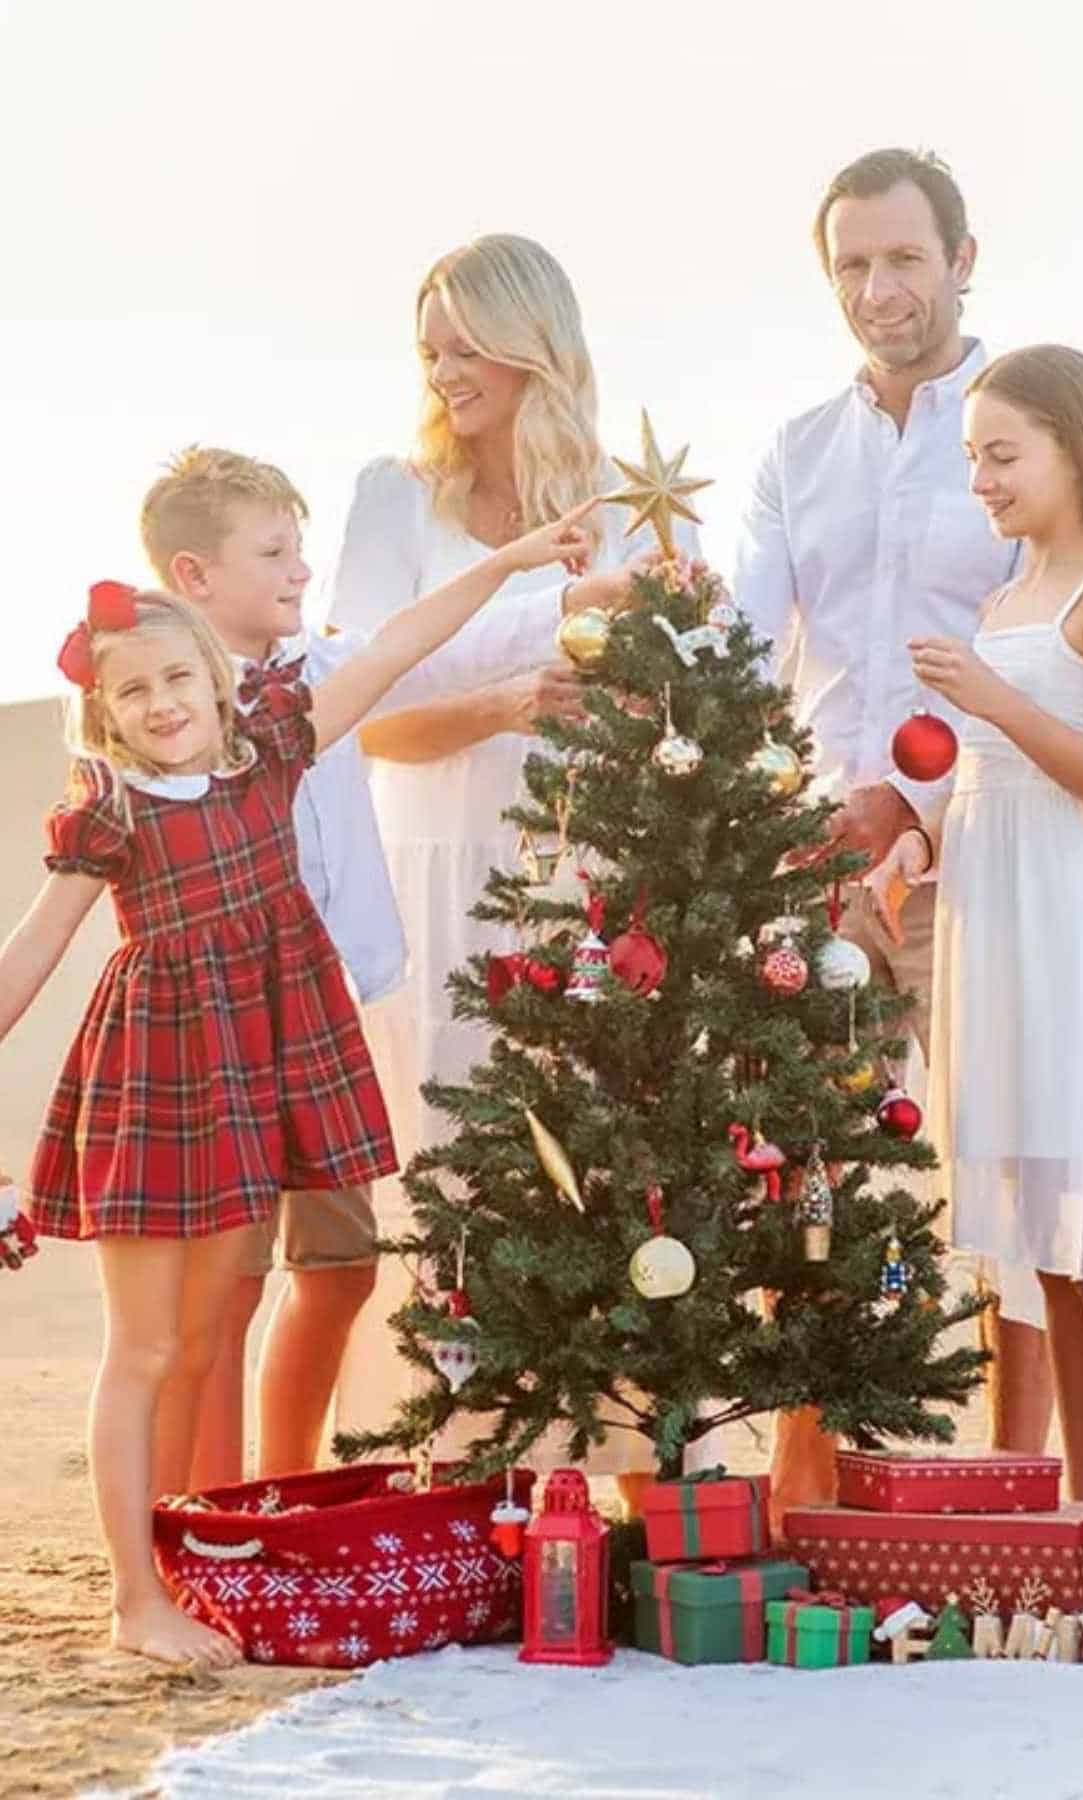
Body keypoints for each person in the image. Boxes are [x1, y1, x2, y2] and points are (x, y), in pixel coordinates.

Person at [0, 504, 593, 1665]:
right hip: (163, 1083)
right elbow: (30, 951)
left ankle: (195, 1550)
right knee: (147, 1349)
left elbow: (400, 643)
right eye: (132, 692)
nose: (161, 704)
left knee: (216, 1319)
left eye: (178, 677)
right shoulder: (110, 813)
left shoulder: (272, 750)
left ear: (218, 682)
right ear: (103, 713)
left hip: (266, 1068)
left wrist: (515, 560)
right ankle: (136, 1602)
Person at [327, 233, 694, 1505]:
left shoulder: (625, 499)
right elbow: (359, 714)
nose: (441, 373)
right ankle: (464, 1487)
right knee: (457, 1167)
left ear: (534, 346)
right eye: (427, 350)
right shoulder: (394, 497)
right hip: (432, 866)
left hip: (583, 869)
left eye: (465, 347)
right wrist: (500, 706)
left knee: (599, 1161)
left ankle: (611, 1488)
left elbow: (683, 696)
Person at [733, 147, 1052, 1513]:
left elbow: (1050, 643)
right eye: (853, 264)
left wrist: (916, 806)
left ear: (963, 260)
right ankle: (811, 1484)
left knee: (1010, 1166)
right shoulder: (795, 453)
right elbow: (743, 653)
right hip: (823, 876)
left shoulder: (1025, 433)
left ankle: (1024, 1484)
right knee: (814, 1174)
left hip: (991, 847)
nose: (879, 290)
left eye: (905, 258)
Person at [895, 343, 1083, 1499]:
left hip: (1079, 931)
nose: (981, 480)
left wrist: (993, 697)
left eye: (1003, 455)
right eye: (972, 457)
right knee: (1051, 1251)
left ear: (1074, 447)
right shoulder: (1003, 597)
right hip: (1000, 931)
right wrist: (920, 844)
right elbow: (988, 775)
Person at [137, 445, 405, 1485]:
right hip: (217, 1031)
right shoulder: (165, 707)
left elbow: (429, 645)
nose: (301, 571)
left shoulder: (321, 673)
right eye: (275, 552)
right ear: (195, 576)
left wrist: (554, 582)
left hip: (319, 1014)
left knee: (342, 1265)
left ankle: (284, 1488)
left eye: (301, 547)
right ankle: (209, 1511)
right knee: (224, 1285)